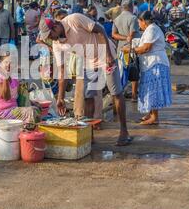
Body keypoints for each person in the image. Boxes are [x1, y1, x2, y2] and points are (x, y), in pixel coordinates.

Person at [39, 10, 132, 146]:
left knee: (115, 93)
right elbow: (62, 72)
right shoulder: (57, 44)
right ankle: (90, 135)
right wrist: (60, 97)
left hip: (105, 55)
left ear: (56, 26)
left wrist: (107, 55)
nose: (50, 39)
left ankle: (124, 131)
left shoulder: (75, 19)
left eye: (50, 35)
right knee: (88, 97)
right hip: (88, 62)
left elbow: (100, 30)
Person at [123, 11, 172, 125]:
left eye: (139, 22)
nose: (139, 25)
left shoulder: (152, 29)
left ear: (143, 21)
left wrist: (129, 50)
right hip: (149, 64)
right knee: (149, 89)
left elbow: (146, 48)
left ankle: (155, 117)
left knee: (153, 90)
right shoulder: (149, 29)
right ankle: (150, 113)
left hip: (155, 63)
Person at [0, 54, 41, 143]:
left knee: (36, 108)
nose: (9, 65)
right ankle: (27, 140)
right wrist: (5, 77)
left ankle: (29, 138)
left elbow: (17, 97)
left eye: (12, 63)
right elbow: (6, 97)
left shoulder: (14, 78)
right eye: (6, 62)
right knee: (31, 112)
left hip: (11, 111)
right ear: (0, 64)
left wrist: (31, 102)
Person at [112, 0, 140, 101]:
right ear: (131, 7)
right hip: (131, 48)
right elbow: (132, 34)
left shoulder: (117, 19)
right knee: (134, 71)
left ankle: (120, 94)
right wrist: (128, 38)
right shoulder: (133, 18)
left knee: (121, 71)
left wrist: (124, 38)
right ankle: (133, 95)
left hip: (121, 49)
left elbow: (114, 34)